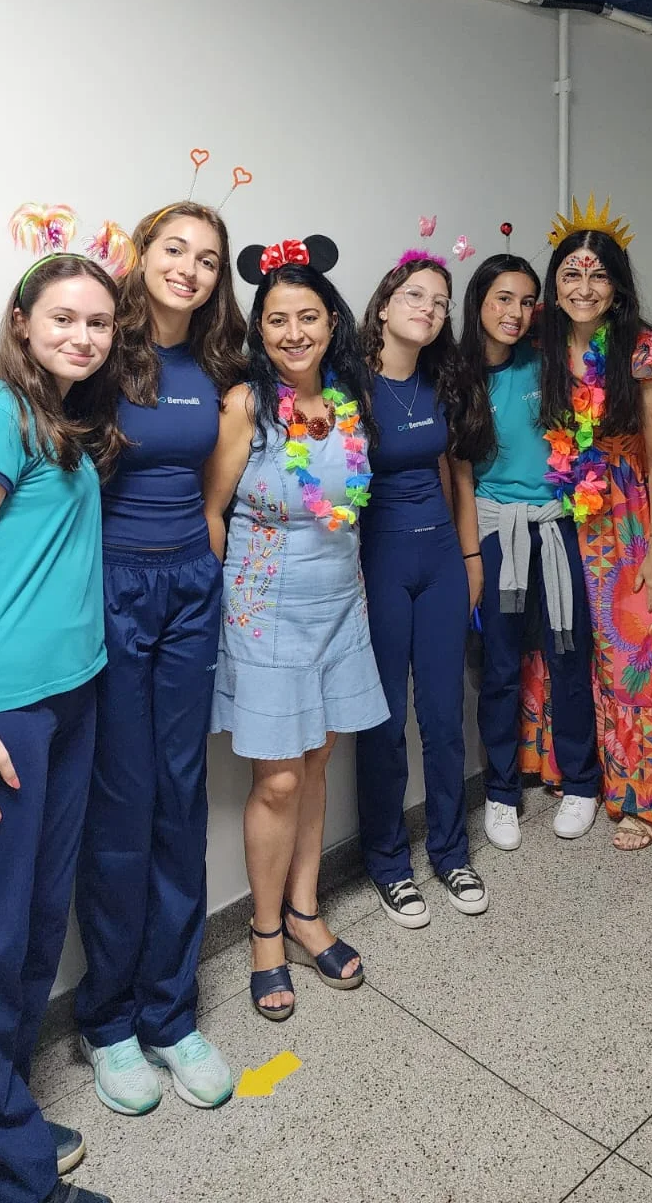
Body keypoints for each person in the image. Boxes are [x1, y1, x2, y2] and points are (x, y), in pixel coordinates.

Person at [0, 237, 125, 1203]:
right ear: (22, 323)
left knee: (33, 922)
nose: (82, 336)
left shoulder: (58, 417)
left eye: (98, 322)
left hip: (69, 699)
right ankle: (9, 1179)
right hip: (3, 716)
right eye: (63, 317)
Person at [75, 200, 245, 1115]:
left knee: (180, 797)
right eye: (174, 249)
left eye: (208, 259)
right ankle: (106, 1022)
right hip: (109, 589)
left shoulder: (218, 367)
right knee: (122, 800)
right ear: (141, 257)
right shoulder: (104, 351)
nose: (189, 268)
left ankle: (171, 1014)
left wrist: (206, 574)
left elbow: (215, 494)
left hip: (189, 591)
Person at [204, 234, 388, 1020]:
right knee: (276, 778)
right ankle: (265, 933)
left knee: (316, 761)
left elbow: (349, 510)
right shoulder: (245, 405)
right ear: (259, 329)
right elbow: (212, 510)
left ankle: (307, 911)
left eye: (307, 316)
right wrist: (222, 611)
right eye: (276, 320)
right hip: (265, 609)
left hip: (340, 603)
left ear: (331, 321)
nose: (292, 333)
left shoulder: (349, 401)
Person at [538, 195, 652, 848]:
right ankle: (603, 774)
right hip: (580, 514)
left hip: (642, 513)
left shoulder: (644, 354)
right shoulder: (545, 348)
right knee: (594, 647)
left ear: (617, 286)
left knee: (645, 645)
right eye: (571, 274)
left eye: (598, 275)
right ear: (555, 284)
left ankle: (649, 796)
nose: (584, 287)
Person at [356, 249, 488, 929]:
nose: (428, 310)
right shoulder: (348, 386)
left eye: (439, 302)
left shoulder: (442, 383)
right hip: (377, 563)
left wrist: (470, 558)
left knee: (442, 716)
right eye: (415, 295)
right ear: (384, 305)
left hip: (440, 560)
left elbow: (458, 475)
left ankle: (450, 853)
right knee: (382, 725)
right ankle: (387, 862)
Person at [455, 253, 600, 852]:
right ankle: (501, 791)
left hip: (556, 526)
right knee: (500, 665)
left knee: (569, 652)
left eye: (525, 300)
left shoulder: (549, 362)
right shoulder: (456, 377)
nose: (515, 312)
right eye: (503, 298)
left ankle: (582, 783)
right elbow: (460, 475)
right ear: (479, 302)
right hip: (496, 530)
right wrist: (471, 555)